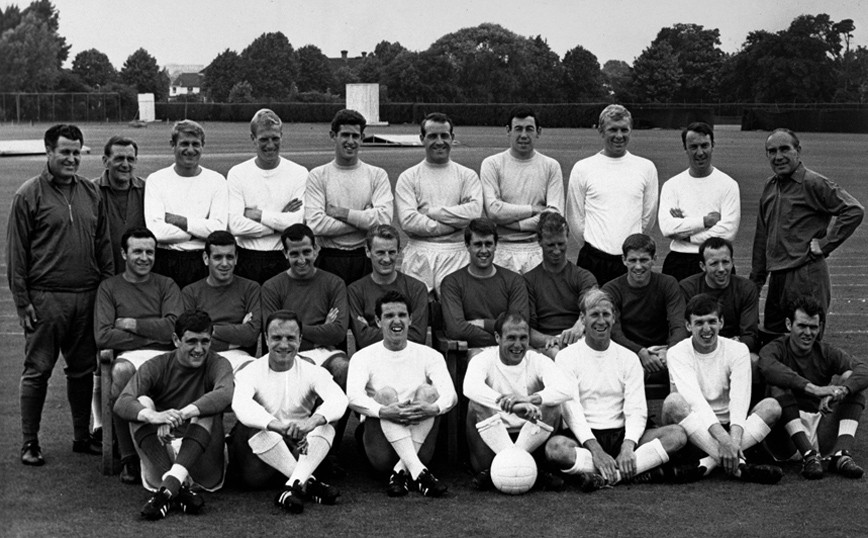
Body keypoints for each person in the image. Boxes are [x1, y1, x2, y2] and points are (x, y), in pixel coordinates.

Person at [7, 123, 113, 466]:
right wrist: (23, 301)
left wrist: (107, 295)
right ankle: (30, 441)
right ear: (49, 151)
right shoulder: (28, 194)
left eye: (76, 152)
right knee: (37, 370)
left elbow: (104, 247)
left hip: (87, 296)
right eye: (64, 151)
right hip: (46, 299)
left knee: (82, 371)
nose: (71, 158)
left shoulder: (91, 192)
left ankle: (82, 436)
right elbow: (17, 253)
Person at [545, 289, 699, 490]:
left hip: (622, 433)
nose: (601, 321)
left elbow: (636, 409)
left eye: (606, 314)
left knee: (677, 435)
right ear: (582, 319)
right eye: (594, 314)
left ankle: (607, 476)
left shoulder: (629, 358)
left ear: (614, 317)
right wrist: (596, 450)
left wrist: (628, 446)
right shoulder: (566, 357)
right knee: (555, 449)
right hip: (585, 437)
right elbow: (571, 411)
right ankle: (635, 471)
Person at [114, 310, 233, 520]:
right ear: (176, 340)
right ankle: (173, 486)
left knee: (208, 407)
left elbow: (225, 394)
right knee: (141, 404)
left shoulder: (218, 363)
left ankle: (168, 488)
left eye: (205, 341)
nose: (199, 349)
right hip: (162, 457)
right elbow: (122, 402)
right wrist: (154, 417)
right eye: (191, 341)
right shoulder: (157, 365)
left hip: (203, 463)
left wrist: (179, 415)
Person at [229, 310, 348, 513]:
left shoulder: (312, 370)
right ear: (266, 339)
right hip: (259, 461)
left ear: (300, 340)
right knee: (252, 425)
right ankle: (308, 482)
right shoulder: (249, 371)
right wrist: (278, 427)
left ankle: (293, 486)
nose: (284, 345)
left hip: (297, 449)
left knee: (326, 424)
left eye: (290, 338)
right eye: (276, 338)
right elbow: (241, 405)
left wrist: (312, 422)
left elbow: (339, 399)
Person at [750, 128, 864, 337]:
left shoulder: (813, 182)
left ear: (798, 151)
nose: (778, 156)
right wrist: (755, 283)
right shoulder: (770, 186)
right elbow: (762, 236)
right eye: (772, 151)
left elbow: (853, 210)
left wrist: (825, 244)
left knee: (807, 343)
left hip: (805, 276)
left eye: (785, 149)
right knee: (772, 341)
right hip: (778, 278)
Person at [661, 294, 783, 484]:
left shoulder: (738, 350)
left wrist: (732, 440)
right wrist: (724, 442)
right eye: (699, 323)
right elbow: (695, 402)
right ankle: (738, 466)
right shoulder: (676, 352)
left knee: (772, 407)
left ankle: (707, 463)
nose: (706, 329)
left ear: (721, 322)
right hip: (693, 428)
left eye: (712, 321)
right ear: (688, 326)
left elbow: (740, 400)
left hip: (731, 429)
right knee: (673, 402)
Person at [347, 291, 457, 497]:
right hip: (381, 446)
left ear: (410, 319)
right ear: (378, 321)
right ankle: (417, 472)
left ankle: (405, 471)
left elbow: (450, 395)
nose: (396, 321)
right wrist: (385, 411)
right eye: (389, 316)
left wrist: (432, 408)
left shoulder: (430, 355)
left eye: (402, 315)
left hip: (418, 434)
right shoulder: (363, 357)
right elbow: (353, 397)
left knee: (429, 393)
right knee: (386, 395)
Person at [95, 227, 184, 483]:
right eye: (137, 252)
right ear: (124, 254)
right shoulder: (109, 287)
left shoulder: (166, 284)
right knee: (121, 372)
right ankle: (128, 457)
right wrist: (151, 334)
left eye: (149, 252)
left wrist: (133, 324)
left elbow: (174, 328)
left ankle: (173, 451)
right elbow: (103, 336)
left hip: (165, 355)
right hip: (128, 356)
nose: (144, 258)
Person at [261, 224, 350, 471]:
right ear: (285, 254)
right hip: (289, 353)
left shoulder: (334, 283)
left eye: (306, 252)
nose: (301, 259)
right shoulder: (272, 286)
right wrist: (319, 329)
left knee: (344, 369)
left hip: (326, 352)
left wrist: (296, 331)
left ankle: (328, 448)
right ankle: (292, 446)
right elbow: (274, 334)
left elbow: (338, 332)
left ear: (316, 249)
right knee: (298, 366)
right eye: (294, 254)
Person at [758, 295, 868, 480]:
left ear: (820, 327)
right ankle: (808, 455)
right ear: (788, 324)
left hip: (820, 427)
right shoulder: (775, 348)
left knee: (851, 380)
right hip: (787, 437)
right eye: (802, 326)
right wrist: (814, 389)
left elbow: (863, 370)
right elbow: (768, 367)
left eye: (813, 327)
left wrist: (840, 391)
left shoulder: (825, 351)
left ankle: (841, 454)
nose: (808, 332)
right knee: (777, 383)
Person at [463, 311, 572, 491]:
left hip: (531, 438)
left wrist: (530, 399)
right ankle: (522, 469)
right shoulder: (483, 359)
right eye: (511, 338)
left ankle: (517, 464)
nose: (518, 345)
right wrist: (512, 406)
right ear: (497, 337)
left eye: (523, 338)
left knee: (553, 406)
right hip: (492, 440)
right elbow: (470, 388)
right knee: (475, 404)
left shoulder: (537, 359)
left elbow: (565, 389)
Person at [566, 104, 658, 286]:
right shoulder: (583, 168)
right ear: (601, 131)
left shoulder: (646, 168)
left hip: (631, 262)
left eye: (624, 129)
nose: (619, 135)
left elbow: (648, 218)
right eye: (613, 130)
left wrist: (632, 248)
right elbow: (575, 218)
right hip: (593, 260)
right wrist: (595, 246)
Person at [395, 112, 483, 296]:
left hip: (457, 254)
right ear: (422, 139)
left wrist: (432, 212)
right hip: (419, 254)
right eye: (433, 136)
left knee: (454, 310)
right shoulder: (408, 177)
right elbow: (409, 222)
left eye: (444, 135)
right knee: (418, 310)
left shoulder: (467, 176)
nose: (439, 141)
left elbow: (473, 213)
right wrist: (455, 224)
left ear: (452, 138)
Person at [305, 108, 393, 286]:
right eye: (345, 135)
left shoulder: (377, 175)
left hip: (365, 258)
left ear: (362, 138)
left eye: (355, 136)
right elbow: (315, 224)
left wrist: (342, 213)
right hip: (329, 258)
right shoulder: (318, 175)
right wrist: (363, 221)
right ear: (333, 136)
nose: (351, 141)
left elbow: (384, 221)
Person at [145, 119, 228, 289]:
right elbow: (156, 231)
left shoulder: (217, 180)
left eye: (195, 144)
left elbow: (219, 229)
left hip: (202, 262)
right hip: (166, 261)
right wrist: (199, 233)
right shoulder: (156, 180)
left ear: (202, 146)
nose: (190, 150)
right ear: (173, 145)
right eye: (184, 144)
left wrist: (181, 221)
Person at [480, 105, 564, 274]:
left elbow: (553, 217)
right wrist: (533, 209)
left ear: (538, 132)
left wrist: (515, 224)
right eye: (518, 129)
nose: (524, 135)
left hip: (538, 251)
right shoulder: (492, 164)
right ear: (508, 131)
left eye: (529, 129)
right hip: (501, 251)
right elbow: (494, 211)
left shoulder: (551, 166)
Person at [227, 109, 307, 284]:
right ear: (253, 138)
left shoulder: (299, 173)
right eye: (264, 139)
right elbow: (236, 226)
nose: (270, 145)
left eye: (275, 138)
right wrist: (279, 223)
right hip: (246, 260)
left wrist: (259, 215)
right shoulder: (237, 173)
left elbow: (297, 223)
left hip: (283, 259)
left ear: (282, 136)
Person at [658, 122, 740, 282]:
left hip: (716, 262)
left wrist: (686, 234)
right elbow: (668, 228)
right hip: (679, 262)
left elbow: (727, 232)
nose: (700, 152)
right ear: (685, 148)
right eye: (693, 147)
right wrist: (704, 222)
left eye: (704, 146)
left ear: (713, 145)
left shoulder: (728, 185)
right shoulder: (671, 185)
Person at [601, 234, 687, 386]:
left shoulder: (668, 284)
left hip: (661, 352)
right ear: (624, 260)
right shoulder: (611, 289)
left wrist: (670, 352)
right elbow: (614, 332)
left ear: (654, 259)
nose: (638, 266)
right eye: (633, 260)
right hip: (626, 352)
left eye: (644, 260)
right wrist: (639, 352)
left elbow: (679, 325)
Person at [440, 218, 529, 349]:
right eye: (478, 244)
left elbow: (519, 325)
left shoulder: (514, 281)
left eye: (488, 244)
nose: (483, 250)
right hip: (473, 350)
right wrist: (501, 340)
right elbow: (456, 329)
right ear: (467, 245)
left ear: (495, 245)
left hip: (512, 350)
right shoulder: (452, 283)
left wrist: (482, 323)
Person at [182, 231, 261, 372]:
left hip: (240, 358)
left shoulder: (251, 288)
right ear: (206, 258)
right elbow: (189, 338)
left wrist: (209, 330)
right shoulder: (190, 292)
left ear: (236, 258)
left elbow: (251, 334)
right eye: (218, 257)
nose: (225, 263)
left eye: (229, 257)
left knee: (253, 372)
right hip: (202, 357)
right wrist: (235, 339)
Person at [524, 212, 597, 359]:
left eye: (561, 244)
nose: (557, 250)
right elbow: (525, 329)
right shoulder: (528, 281)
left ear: (567, 239)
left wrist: (579, 326)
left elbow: (594, 307)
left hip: (579, 340)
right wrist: (551, 340)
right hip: (545, 345)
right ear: (539, 241)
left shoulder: (583, 277)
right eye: (550, 245)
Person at [348, 225, 428, 350]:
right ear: (368, 252)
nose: (386, 259)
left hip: (408, 356)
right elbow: (362, 338)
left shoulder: (417, 288)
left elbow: (418, 337)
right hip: (371, 357)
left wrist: (371, 331)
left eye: (391, 252)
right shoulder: (356, 290)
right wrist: (402, 332)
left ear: (399, 251)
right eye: (380, 253)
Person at [680, 237, 759, 357]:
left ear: (732, 262)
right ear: (702, 266)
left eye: (725, 262)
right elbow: (684, 331)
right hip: (699, 348)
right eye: (714, 263)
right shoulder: (688, 288)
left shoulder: (746, 288)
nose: (721, 269)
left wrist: (730, 346)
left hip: (733, 349)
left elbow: (750, 335)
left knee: (753, 359)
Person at [94, 135, 146, 275]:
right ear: (105, 161)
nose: (125, 164)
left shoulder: (148, 190)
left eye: (130, 159)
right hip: (103, 276)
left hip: (139, 275)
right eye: (119, 158)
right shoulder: (91, 191)